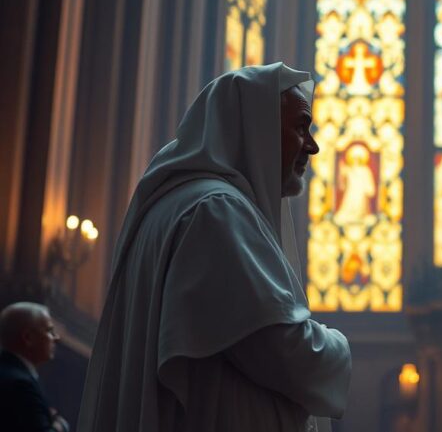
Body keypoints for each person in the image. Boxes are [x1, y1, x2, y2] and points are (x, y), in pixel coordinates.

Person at [78, 63, 352, 432]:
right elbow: (283, 349)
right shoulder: (215, 210)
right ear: (257, 127)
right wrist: (338, 348)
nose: (313, 146)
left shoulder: (174, 205)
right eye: (301, 127)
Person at [0, 302, 70, 431]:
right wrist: (60, 426)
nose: (56, 338)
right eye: (49, 331)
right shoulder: (20, 385)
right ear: (28, 338)